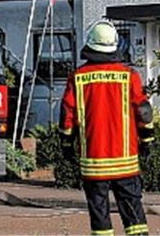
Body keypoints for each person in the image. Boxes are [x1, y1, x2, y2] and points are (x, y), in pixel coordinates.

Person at [59, 20, 154, 236]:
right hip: (125, 162)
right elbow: (144, 111)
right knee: (133, 215)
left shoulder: (78, 77)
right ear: (115, 45)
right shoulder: (129, 76)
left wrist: (66, 145)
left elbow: (67, 115)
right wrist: (148, 140)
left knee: (99, 216)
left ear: (91, 43)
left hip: (93, 162)